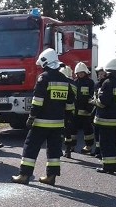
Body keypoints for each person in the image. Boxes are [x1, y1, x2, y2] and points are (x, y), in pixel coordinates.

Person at [11, 48, 75, 186]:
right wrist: (67, 119)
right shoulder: (65, 80)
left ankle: (24, 175)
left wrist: (31, 117)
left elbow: (37, 101)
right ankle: (51, 176)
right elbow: (70, 103)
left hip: (41, 122)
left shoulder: (43, 78)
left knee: (30, 147)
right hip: (58, 123)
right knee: (54, 149)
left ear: (46, 63)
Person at [69, 62, 96, 155]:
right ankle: (71, 146)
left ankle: (88, 146)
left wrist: (89, 108)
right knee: (72, 130)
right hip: (75, 111)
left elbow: (92, 96)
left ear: (85, 73)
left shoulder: (90, 83)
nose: (80, 75)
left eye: (82, 73)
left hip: (86, 112)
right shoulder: (74, 82)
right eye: (78, 73)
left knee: (87, 130)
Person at [90, 65, 107, 158]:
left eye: (101, 74)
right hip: (97, 109)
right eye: (98, 74)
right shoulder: (96, 84)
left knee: (102, 133)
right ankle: (97, 149)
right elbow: (94, 96)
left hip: (104, 112)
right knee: (96, 131)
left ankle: (102, 151)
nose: (99, 76)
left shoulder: (107, 83)